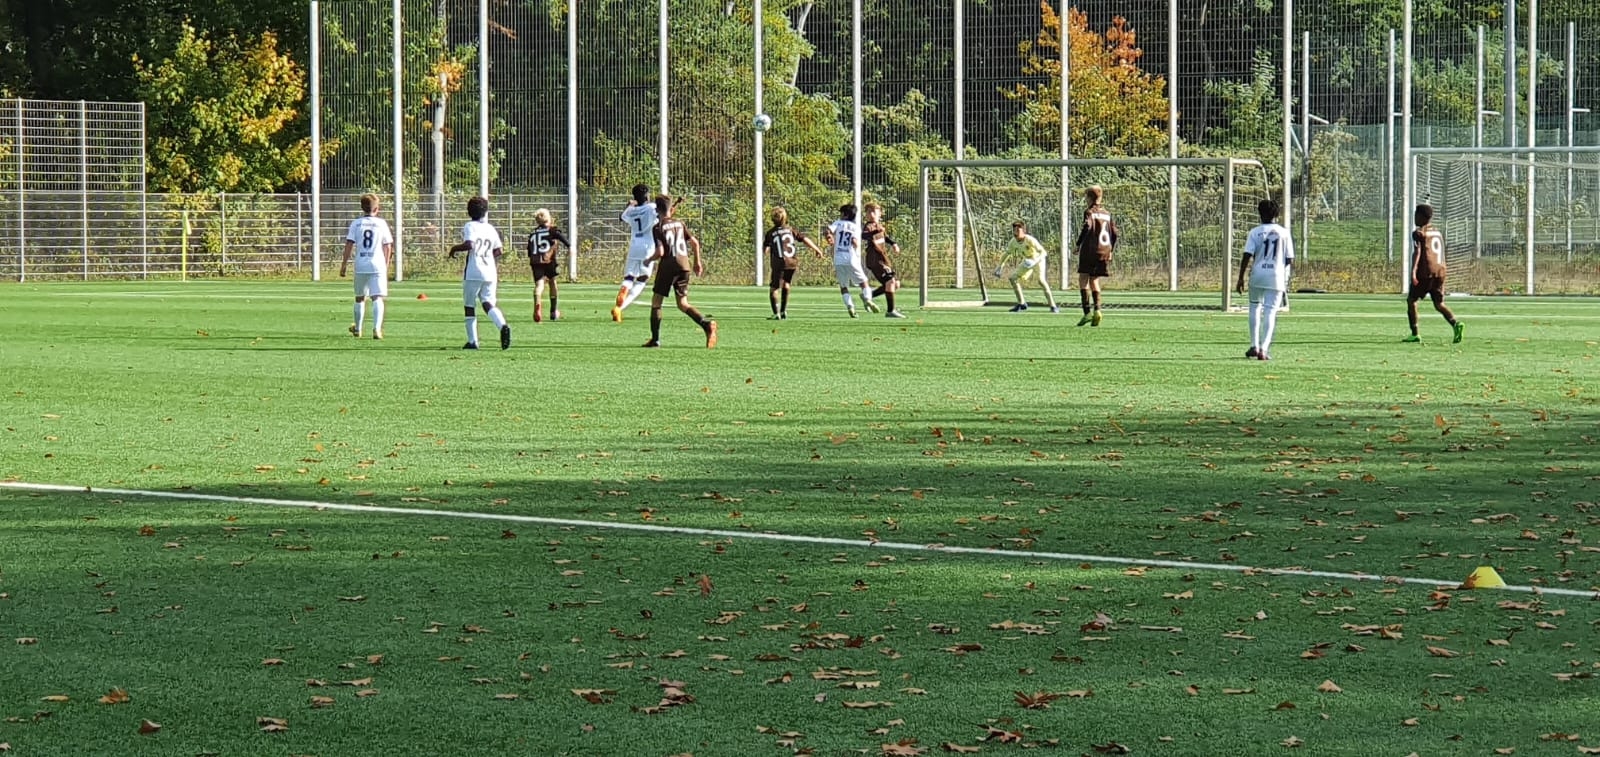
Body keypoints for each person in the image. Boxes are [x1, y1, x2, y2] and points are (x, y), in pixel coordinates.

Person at [642, 195, 717, 349]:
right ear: (670, 208)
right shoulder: (680, 223)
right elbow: (695, 243)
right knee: (683, 303)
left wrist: (648, 260)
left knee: (656, 302)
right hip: (684, 266)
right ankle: (706, 324)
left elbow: (660, 252)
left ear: (657, 210)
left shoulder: (658, 227)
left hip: (668, 266)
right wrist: (697, 262)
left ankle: (655, 340)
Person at [446, 196, 512, 350]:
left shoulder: (470, 226)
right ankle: (502, 325)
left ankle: (473, 341)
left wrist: (454, 248)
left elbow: (470, 244)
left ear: (469, 211)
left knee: (469, 306)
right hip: (490, 272)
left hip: (474, 272)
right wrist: (487, 257)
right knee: (488, 303)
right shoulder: (490, 228)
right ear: (485, 211)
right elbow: (499, 250)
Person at [1235, 198, 1294, 361]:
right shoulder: (1284, 232)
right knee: (1270, 311)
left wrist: (1240, 278)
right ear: (1277, 214)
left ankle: (1254, 345)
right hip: (1276, 276)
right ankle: (1264, 349)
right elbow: (1289, 258)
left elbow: (1247, 255)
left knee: (1254, 307)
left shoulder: (1255, 232)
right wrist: (1281, 272)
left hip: (1257, 274)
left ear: (1259, 213)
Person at [1404, 203, 1464, 344]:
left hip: (1425, 273)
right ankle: (1456, 323)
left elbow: (1418, 252)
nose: (1414, 218)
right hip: (1440, 272)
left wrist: (1413, 272)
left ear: (1421, 217)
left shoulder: (1419, 233)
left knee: (1412, 300)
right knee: (1439, 304)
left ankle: (1415, 333)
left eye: (1416, 215)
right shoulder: (1437, 232)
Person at [339, 193, 394, 340]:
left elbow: (349, 244)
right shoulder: (381, 223)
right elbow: (388, 245)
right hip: (377, 264)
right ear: (377, 209)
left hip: (361, 264)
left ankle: (358, 329)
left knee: (359, 297)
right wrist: (386, 265)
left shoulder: (356, 223)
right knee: (377, 297)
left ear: (362, 208)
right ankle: (377, 329)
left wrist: (344, 265)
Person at [764, 206, 823, 320]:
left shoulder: (770, 233)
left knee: (774, 288)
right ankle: (783, 311)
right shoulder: (791, 230)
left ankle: (776, 313)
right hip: (792, 262)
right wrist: (817, 249)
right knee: (786, 284)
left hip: (779, 263)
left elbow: (765, 250)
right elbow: (804, 239)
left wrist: (769, 249)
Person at [613, 183, 659, 323]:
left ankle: (624, 289)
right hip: (648, 247)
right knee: (642, 279)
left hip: (634, 246)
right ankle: (620, 308)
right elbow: (662, 214)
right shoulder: (651, 207)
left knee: (629, 277)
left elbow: (621, 217)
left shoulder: (631, 210)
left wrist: (630, 205)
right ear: (647, 196)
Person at [823, 203, 878, 318]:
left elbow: (827, 231)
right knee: (863, 282)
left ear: (844, 214)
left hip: (838, 259)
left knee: (843, 286)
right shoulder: (856, 227)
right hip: (851, 258)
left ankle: (850, 307)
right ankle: (868, 299)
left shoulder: (838, 223)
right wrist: (854, 245)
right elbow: (855, 242)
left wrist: (829, 238)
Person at [1074, 186, 1118, 326]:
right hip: (1104, 250)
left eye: (1086, 197)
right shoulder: (1107, 214)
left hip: (1090, 250)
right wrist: (1111, 250)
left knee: (1083, 278)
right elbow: (1114, 233)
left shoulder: (1089, 212)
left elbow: (1087, 226)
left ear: (1089, 198)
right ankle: (1098, 310)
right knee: (1094, 280)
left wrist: (1078, 244)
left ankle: (1087, 312)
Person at [1001, 221, 1059, 314]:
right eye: (1014, 231)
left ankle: (1053, 306)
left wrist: (1035, 261)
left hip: (1038, 260)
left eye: (1018, 231)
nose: (1016, 233)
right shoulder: (1013, 242)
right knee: (1013, 278)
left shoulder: (1030, 239)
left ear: (1023, 231)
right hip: (1027, 261)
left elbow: (1043, 252)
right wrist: (1000, 266)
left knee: (1041, 280)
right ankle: (1022, 303)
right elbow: (1007, 253)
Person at [862, 203, 907, 318]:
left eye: (874, 212)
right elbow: (864, 235)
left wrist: (894, 244)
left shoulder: (878, 225)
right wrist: (875, 231)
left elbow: (885, 237)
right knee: (890, 282)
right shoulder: (869, 226)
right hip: (875, 260)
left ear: (880, 214)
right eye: (868, 212)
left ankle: (869, 296)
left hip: (883, 259)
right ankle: (890, 311)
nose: (871, 214)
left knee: (895, 284)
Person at [526, 208, 570, 323]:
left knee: (539, 285)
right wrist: (570, 247)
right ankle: (553, 311)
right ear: (548, 218)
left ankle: (537, 305)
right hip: (549, 261)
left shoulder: (533, 234)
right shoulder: (552, 230)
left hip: (536, 262)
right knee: (552, 282)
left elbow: (529, 251)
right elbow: (564, 240)